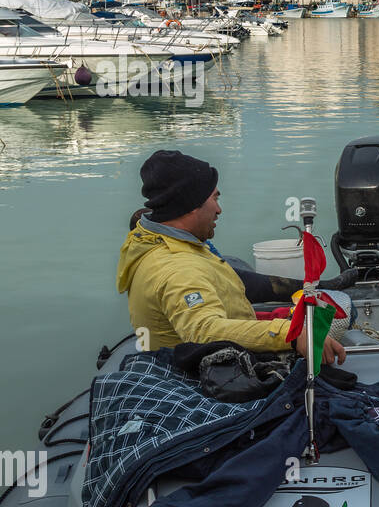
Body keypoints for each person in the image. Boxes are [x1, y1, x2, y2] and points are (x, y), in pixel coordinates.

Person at [118, 150, 346, 364]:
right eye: (214, 199)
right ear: (191, 206)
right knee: (343, 307)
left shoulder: (153, 241)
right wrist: (291, 334)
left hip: (183, 357)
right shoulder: (178, 269)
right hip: (202, 375)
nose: (219, 209)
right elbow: (205, 330)